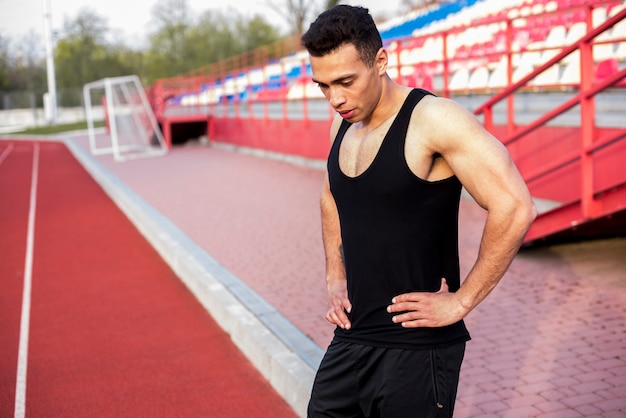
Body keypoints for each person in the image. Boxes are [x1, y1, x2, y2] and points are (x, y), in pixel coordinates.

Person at [301, 5, 537, 418]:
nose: (335, 97)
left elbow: (516, 206)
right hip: (353, 337)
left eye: (345, 81)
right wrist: (334, 275)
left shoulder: (434, 120)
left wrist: (461, 302)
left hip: (417, 346)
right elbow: (330, 195)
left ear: (380, 61)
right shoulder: (343, 122)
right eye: (322, 85)